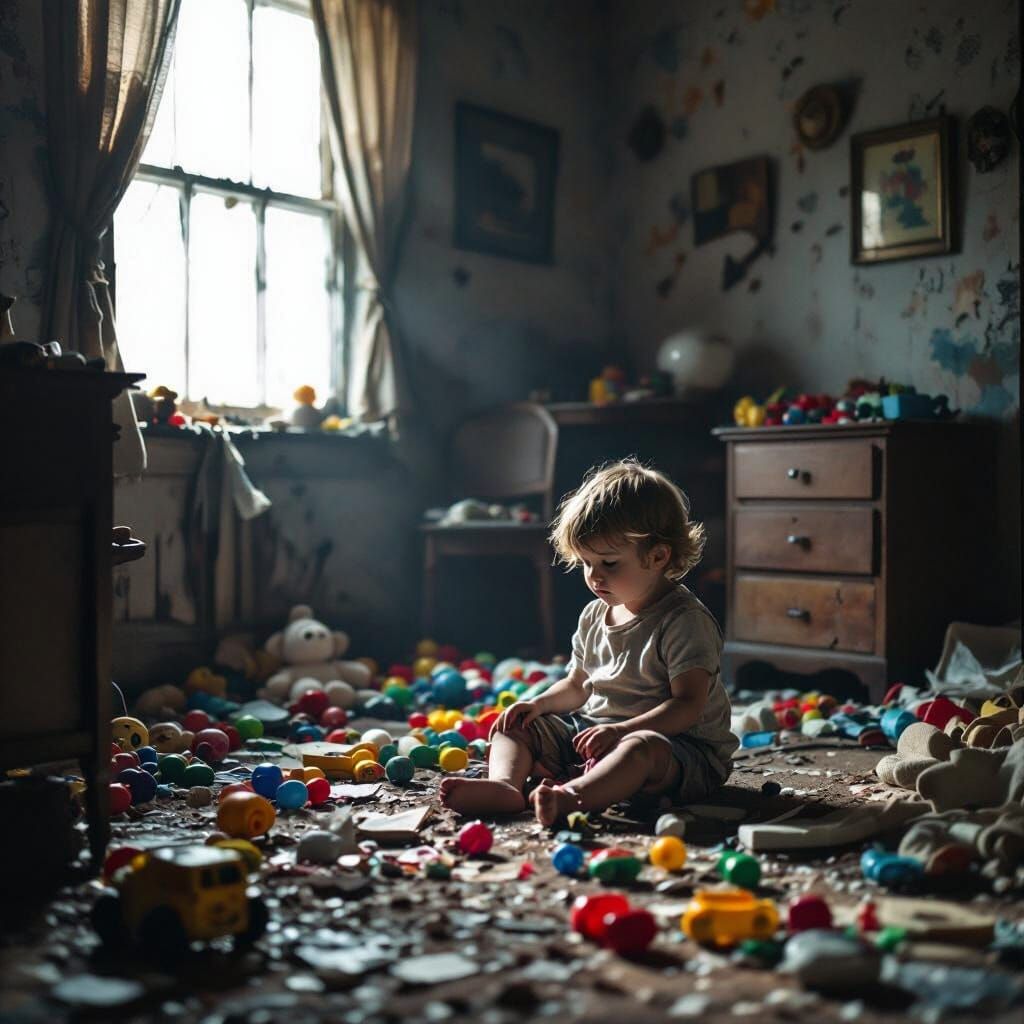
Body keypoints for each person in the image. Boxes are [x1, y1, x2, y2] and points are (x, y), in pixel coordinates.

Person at [440, 458, 737, 826]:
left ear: (658, 556)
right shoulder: (595, 614)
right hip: (594, 735)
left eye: (609, 563)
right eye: (585, 562)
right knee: (514, 726)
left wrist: (622, 731)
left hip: (677, 751)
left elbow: (687, 705)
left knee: (640, 749)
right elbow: (578, 684)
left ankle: (571, 797)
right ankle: (505, 786)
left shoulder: (683, 620)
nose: (594, 577)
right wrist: (537, 705)